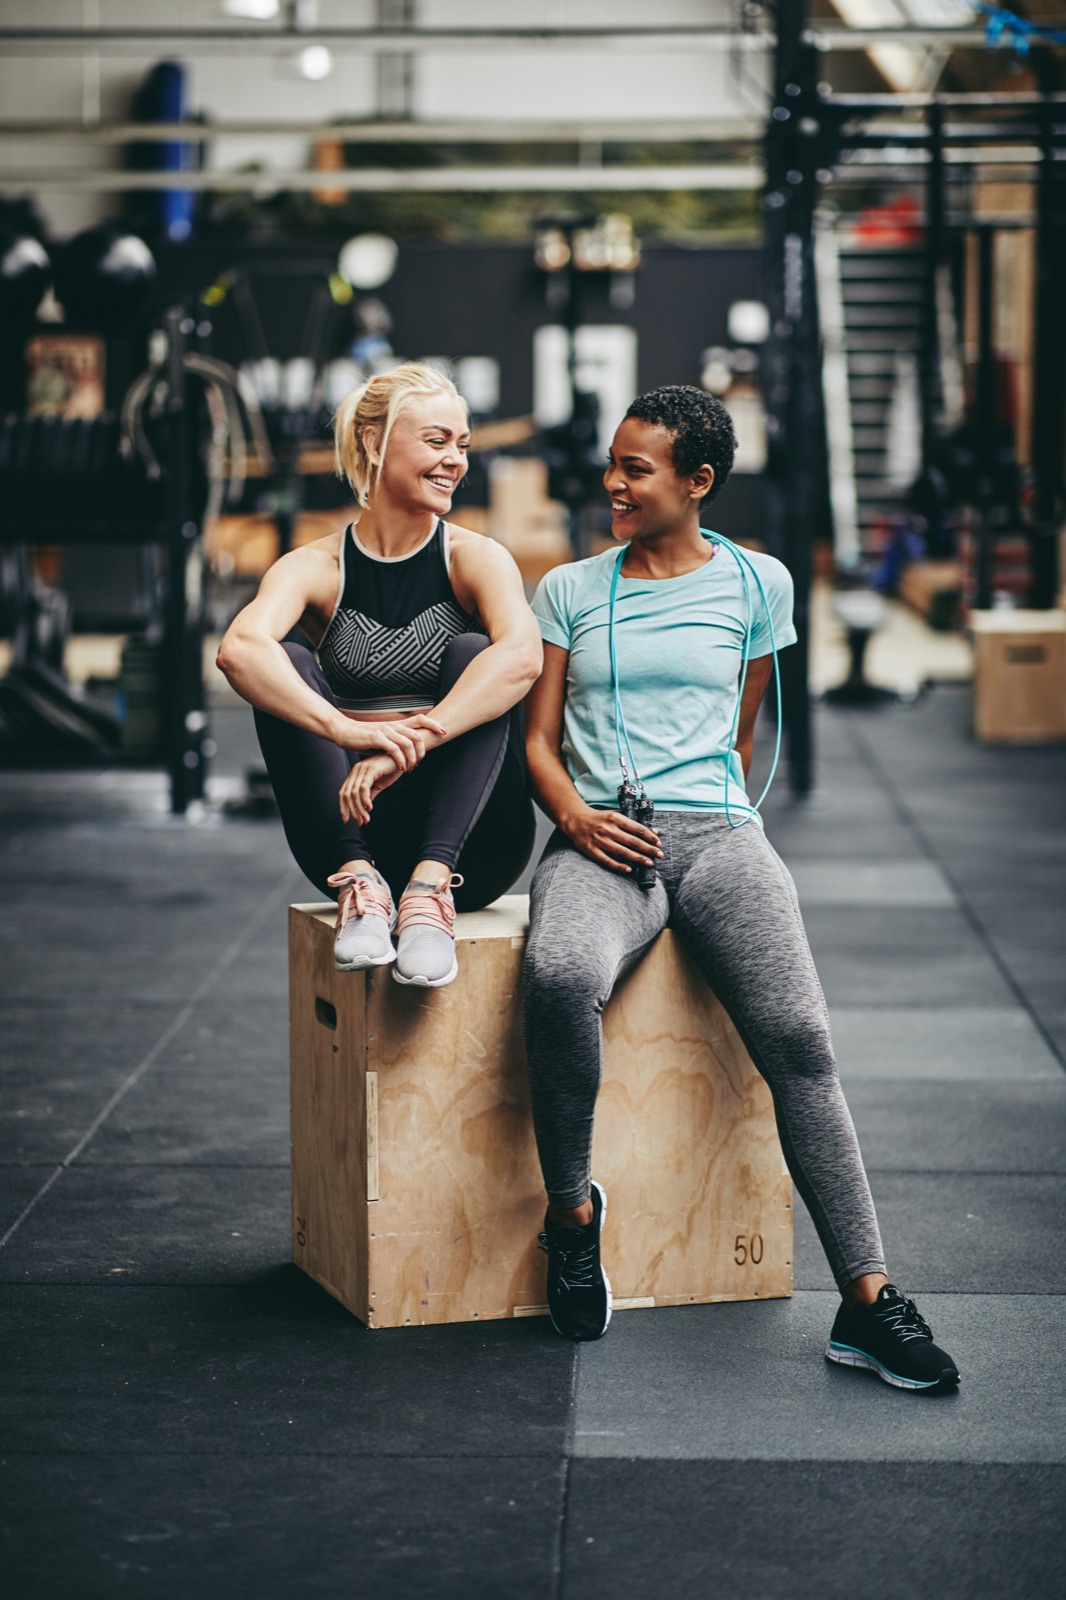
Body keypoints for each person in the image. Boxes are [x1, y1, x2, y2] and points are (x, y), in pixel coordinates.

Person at [522, 384, 959, 1393]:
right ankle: (572, 1218)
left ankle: (865, 1300)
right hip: (598, 837)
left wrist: (710, 832)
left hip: (718, 835)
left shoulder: (759, 584)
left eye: (637, 468)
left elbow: (738, 733)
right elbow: (536, 744)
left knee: (801, 1039)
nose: (613, 483)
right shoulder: (572, 591)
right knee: (555, 974)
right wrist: (579, 820)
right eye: (614, 462)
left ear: (697, 481)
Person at [217, 362, 541, 987]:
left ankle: (427, 896)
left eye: (463, 445)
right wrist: (347, 731)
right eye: (437, 440)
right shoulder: (316, 566)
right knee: (281, 661)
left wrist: (411, 742)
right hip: (351, 833)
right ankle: (364, 889)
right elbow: (238, 651)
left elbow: (523, 657)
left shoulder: (476, 559)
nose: (456, 461)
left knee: (481, 651)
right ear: (374, 443)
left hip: (472, 847)